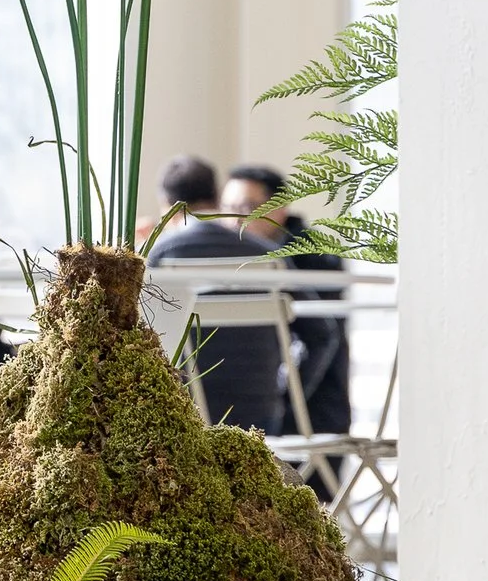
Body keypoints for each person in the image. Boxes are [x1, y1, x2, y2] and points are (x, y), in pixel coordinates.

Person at [147, 155, 284, 431]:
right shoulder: (265, 253)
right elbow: (322, 332)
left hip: (186, 409)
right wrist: (290, 394)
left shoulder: (161, 252)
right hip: (260, 410)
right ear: (217, 195)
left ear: (167, 205)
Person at [223, 163, 353, 440]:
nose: (234, 220)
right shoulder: (230, 260)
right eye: (226, 208)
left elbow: (322, 337)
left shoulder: (315, 259)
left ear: (279, 209)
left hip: (311, 414)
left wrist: (282, 403)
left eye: (247, 208)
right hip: (252, 411)